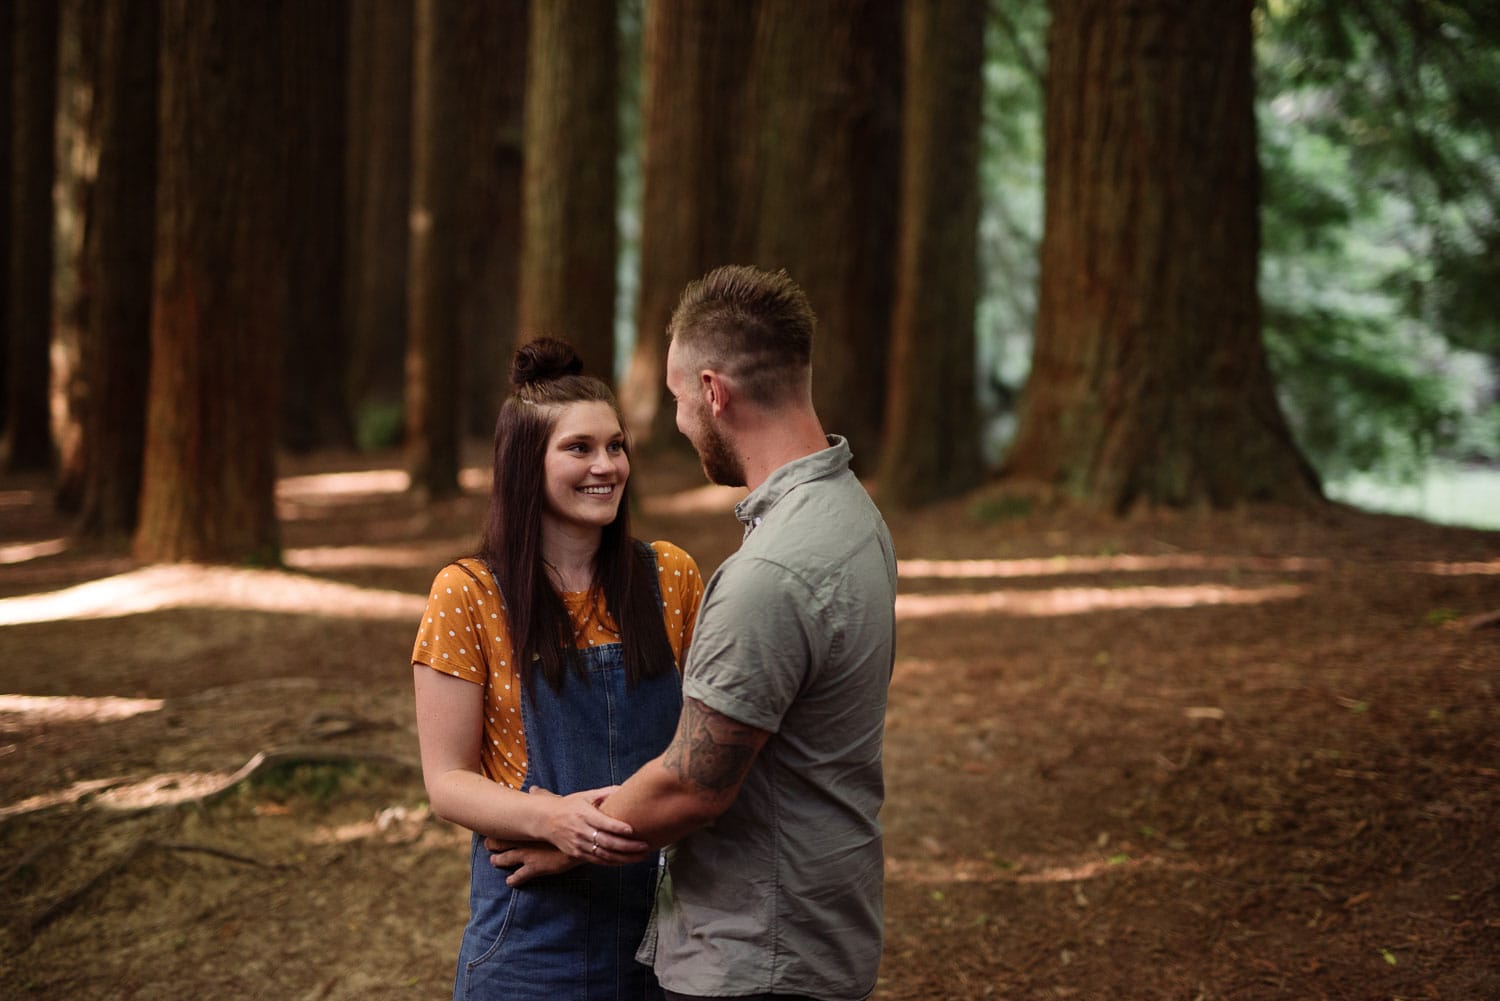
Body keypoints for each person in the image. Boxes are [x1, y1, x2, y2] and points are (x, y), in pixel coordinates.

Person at [494, 266, 898, 1001]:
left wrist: (566, 834)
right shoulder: (854, 517)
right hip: (827, 924)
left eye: (680, 402)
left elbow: (691, 786)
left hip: (757, 952)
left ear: (714, 393)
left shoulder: (767, 572)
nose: (678, 426)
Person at [411, 337, 704, 1001]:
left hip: (667, 934)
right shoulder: (468, 593)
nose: (607, 465)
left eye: (616, 445)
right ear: (524, 464)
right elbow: (447, 780)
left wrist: (584, 839)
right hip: (528, 940)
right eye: (579, 448)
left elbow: (701, 757)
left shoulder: (671, 577)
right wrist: (550, 820)